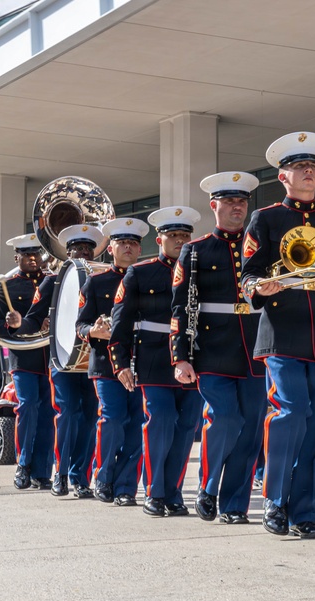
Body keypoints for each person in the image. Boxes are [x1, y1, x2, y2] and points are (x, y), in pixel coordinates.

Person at [241, 131, 315, 539]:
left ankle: (306, 513)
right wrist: (258, 287)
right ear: (283, 176)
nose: (308, 172)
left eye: (312, 167)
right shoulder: (266, 219)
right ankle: (275, 502)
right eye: (299, 167)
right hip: (282, 331)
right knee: (290, 414)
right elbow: (248, 273)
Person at [171, 171, 267, 525]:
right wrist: (180, 356)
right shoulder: (195, 251)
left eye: (241, 201)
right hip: (213, 350)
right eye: (229, 201)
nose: (237, 207)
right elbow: (180, 308)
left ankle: (235, 505)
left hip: (256, 347)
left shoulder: (262, 248)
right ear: (214, 206)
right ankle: (208, 488)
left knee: (252, 429)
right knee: (225, 418)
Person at [110, 206, 204, 518]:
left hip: (193, 357)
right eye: (173, 235)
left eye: (185, 235)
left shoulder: (199, 269)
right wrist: (120, 362)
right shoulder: (141, 272)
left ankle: (173, 493)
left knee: (187, 427)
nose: (179, 240)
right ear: (160, 238)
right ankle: (154, 492)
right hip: (153, 358)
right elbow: (120, 321)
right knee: (161, 421)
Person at [13, 225, 104, 497]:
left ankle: (80, 477)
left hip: (92, 360)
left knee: (88, 416)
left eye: (88, 250)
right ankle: (60, 474)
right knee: (67, 414)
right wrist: (19, 324)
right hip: (62, 360)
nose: (83, 254)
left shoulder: (100, 279)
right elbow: (32, 317)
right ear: (68, 253)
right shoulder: (52, 281)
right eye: (77, 249)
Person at [78, 217, 147, 505]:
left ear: (140, 249)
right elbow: (79, 325)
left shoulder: (151, 278)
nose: (128, 247)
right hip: (106, 365)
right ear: (111, 249)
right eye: (122, 242)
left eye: (133, 242)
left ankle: (126, 487)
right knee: (113, 419)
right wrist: (92, 331)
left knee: (137, 425)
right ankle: (104, 478)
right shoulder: (95, 282)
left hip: (143, 361)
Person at [2, 233, 55, 490]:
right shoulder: (7, 285)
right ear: (17, 258)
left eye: (36, 254)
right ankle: (23, 464)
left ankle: (42, 471)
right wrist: (13, 325)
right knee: (27, 406)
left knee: (48, 412)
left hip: (51, 358)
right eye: (26, 255)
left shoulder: (53, 282)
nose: (33, 259)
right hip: (23, 357)